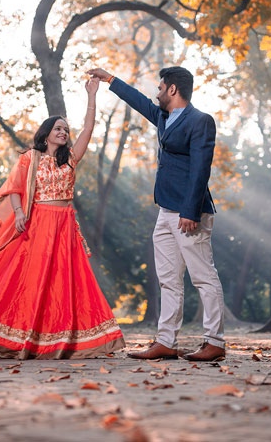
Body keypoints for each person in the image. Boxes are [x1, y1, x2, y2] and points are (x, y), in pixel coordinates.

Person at [0, 77, 125, 359]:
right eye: (58, 128)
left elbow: (89, 128)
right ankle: (22, 339)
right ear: (45, 134)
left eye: (66, 129)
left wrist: (92, 96)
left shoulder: (71, 159)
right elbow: (15, 188)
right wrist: (18, 213)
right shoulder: (30, 158)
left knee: (64, 282)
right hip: (38, 223)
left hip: (64, 224)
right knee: (32, 279)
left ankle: (63, 340)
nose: (64, 132)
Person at [88, 66, 225, 362]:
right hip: (165, 211)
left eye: (161, 88)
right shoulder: (164, 117)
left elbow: (201, 170)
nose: (157, 92)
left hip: (190, 213)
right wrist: (110, 79)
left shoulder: (200, 121)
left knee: (203, 277)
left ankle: (214, 342)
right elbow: (139, 101)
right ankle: (166, 341)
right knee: (168, 279)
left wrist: (190, 211)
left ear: (172, 90)